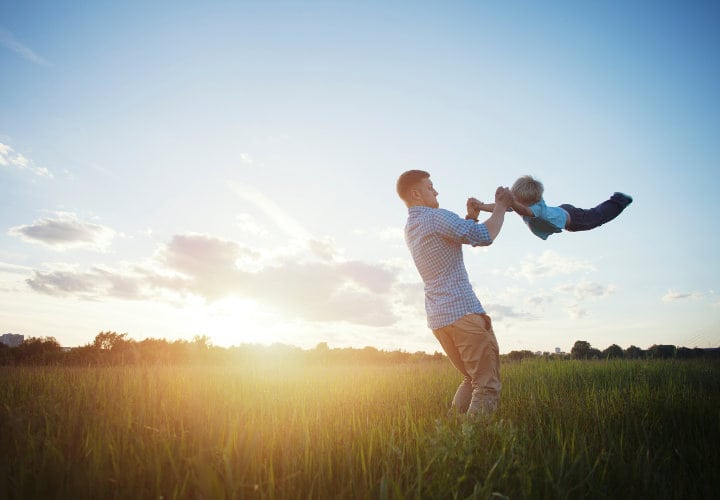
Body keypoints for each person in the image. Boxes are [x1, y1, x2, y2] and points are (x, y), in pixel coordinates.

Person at [396, 169, 513, 416]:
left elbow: (453, 239)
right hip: (464, 313)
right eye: (430, 187)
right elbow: (484, 236)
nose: (436, 192)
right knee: (486, 386)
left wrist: (470, 217)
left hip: (440, 319)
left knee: (471, 379)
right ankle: (473, 439)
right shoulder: (435, 217)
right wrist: (501, 206)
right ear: (416, 194)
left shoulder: (412, 226)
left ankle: (451, 431)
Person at [471, 175, 633, 240]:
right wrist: (481, 206)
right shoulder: (519, 203)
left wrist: (511, 202)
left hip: (573, 219)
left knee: (597, 217)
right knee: (594, 216)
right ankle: (618, 200)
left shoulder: (535, 209)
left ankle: (619, 200)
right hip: (562, 211)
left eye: (515, 201)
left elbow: (524, 211)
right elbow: (500, 207)